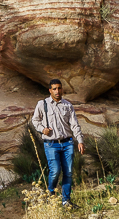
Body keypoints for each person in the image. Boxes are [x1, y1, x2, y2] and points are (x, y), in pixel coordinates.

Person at [30, 78, 84, 206]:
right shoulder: (42, 104)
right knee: (55, 171)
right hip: (51, 144)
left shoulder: (68, 105)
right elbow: (35, 121)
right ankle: (51, 195)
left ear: (62, 89)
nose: (57, 91)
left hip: (67, 143)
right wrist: (42, 130)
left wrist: (80, 141)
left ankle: (66, 200)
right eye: (54, 89)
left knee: (69, 172)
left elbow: (75, 125)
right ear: (50, 90)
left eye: (59, 88)